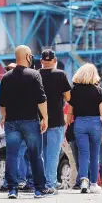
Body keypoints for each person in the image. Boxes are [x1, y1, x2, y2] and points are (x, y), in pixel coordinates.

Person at [0, 45, 53, 199]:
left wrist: (4, 117)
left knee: (12, 155)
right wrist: (45, 118)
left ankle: (12, 189)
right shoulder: (34, 75)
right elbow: (41, 100)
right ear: (28, 56)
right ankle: (38, 189)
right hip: (30, 120)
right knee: (35, 155)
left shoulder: (6, 77)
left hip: (11, 122)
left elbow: (2, 103)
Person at [66, 63, 102, 194]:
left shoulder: (74, 90)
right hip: (95, 124)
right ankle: (94, 184)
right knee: (94, 154)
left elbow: (70, 112)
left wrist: (67, 125)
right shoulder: (98, 90)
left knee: (83, 153)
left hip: (79, 123)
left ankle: (84, 180)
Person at [39, 49, 72, 192]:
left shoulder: (36, 75)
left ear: (41, 61)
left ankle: (40, 182)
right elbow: (68, 97)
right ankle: (50, 184)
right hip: (56, 120)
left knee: (40, 154)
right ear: (55, 60)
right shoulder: (61, 75)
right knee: (52, 154)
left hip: (39, 120)